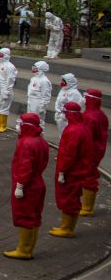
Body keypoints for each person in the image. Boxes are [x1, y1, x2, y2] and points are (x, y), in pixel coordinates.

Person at [3, 113, 49, 259]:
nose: (18, 127)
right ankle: (29, 248)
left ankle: (24, 250)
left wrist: (20, 185)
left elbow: (24, 166)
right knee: (34, 215)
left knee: (25, 215)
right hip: (37, 182)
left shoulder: (26, 143)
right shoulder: (41, 141)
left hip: (28, 185)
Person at [49, 101, 95, 238]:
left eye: (65, 113)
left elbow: (70, 153)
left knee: (68, 198)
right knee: (72, 197)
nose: (64, 115)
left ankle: (67, 228)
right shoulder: (82, 127)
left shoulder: (73, 130)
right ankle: (67, 226)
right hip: (78, 169)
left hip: (71, 171)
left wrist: (63, 171)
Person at [81, 90, 107, 216]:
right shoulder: (101, 114)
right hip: (97, 149)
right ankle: (87, 205)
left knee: (89, 177)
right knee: (90, 175)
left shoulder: (90, 116)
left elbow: (86, 136)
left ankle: (87, 207)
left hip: (90, 151)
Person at [0, 47, 18, 129]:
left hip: (5, 88)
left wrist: (7, 91)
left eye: (1, 54)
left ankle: (3, 125)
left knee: (4, 106)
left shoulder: (10, 66)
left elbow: (10, 79)